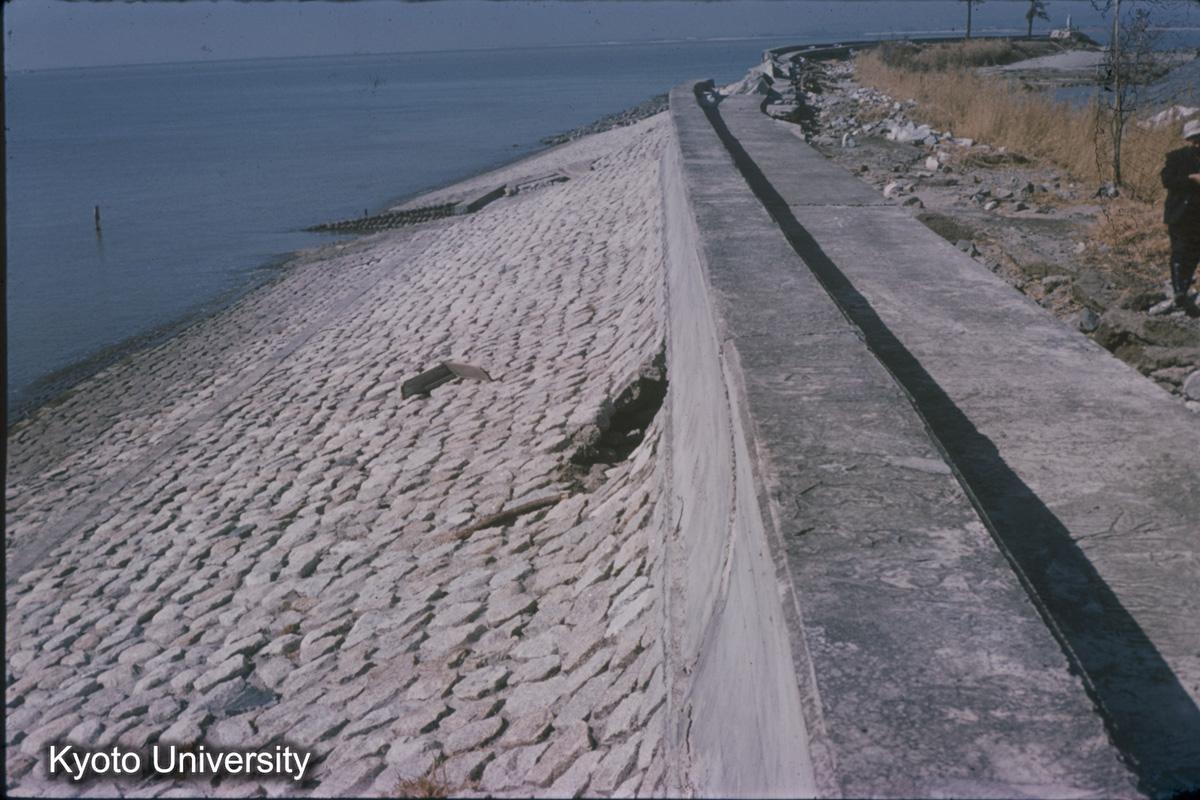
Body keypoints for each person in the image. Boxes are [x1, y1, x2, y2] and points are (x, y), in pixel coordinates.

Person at [1161, 118, 1200, 318]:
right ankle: (1178, 292)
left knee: (1194, 253)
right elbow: (1167, 180)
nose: (1198, 144)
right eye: (1194, 140)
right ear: (1186, 139)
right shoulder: (1176, 157)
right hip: (1179, 213)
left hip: (1197, 216)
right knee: (1180, 251)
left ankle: (1183, 293)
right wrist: (1191, 179)